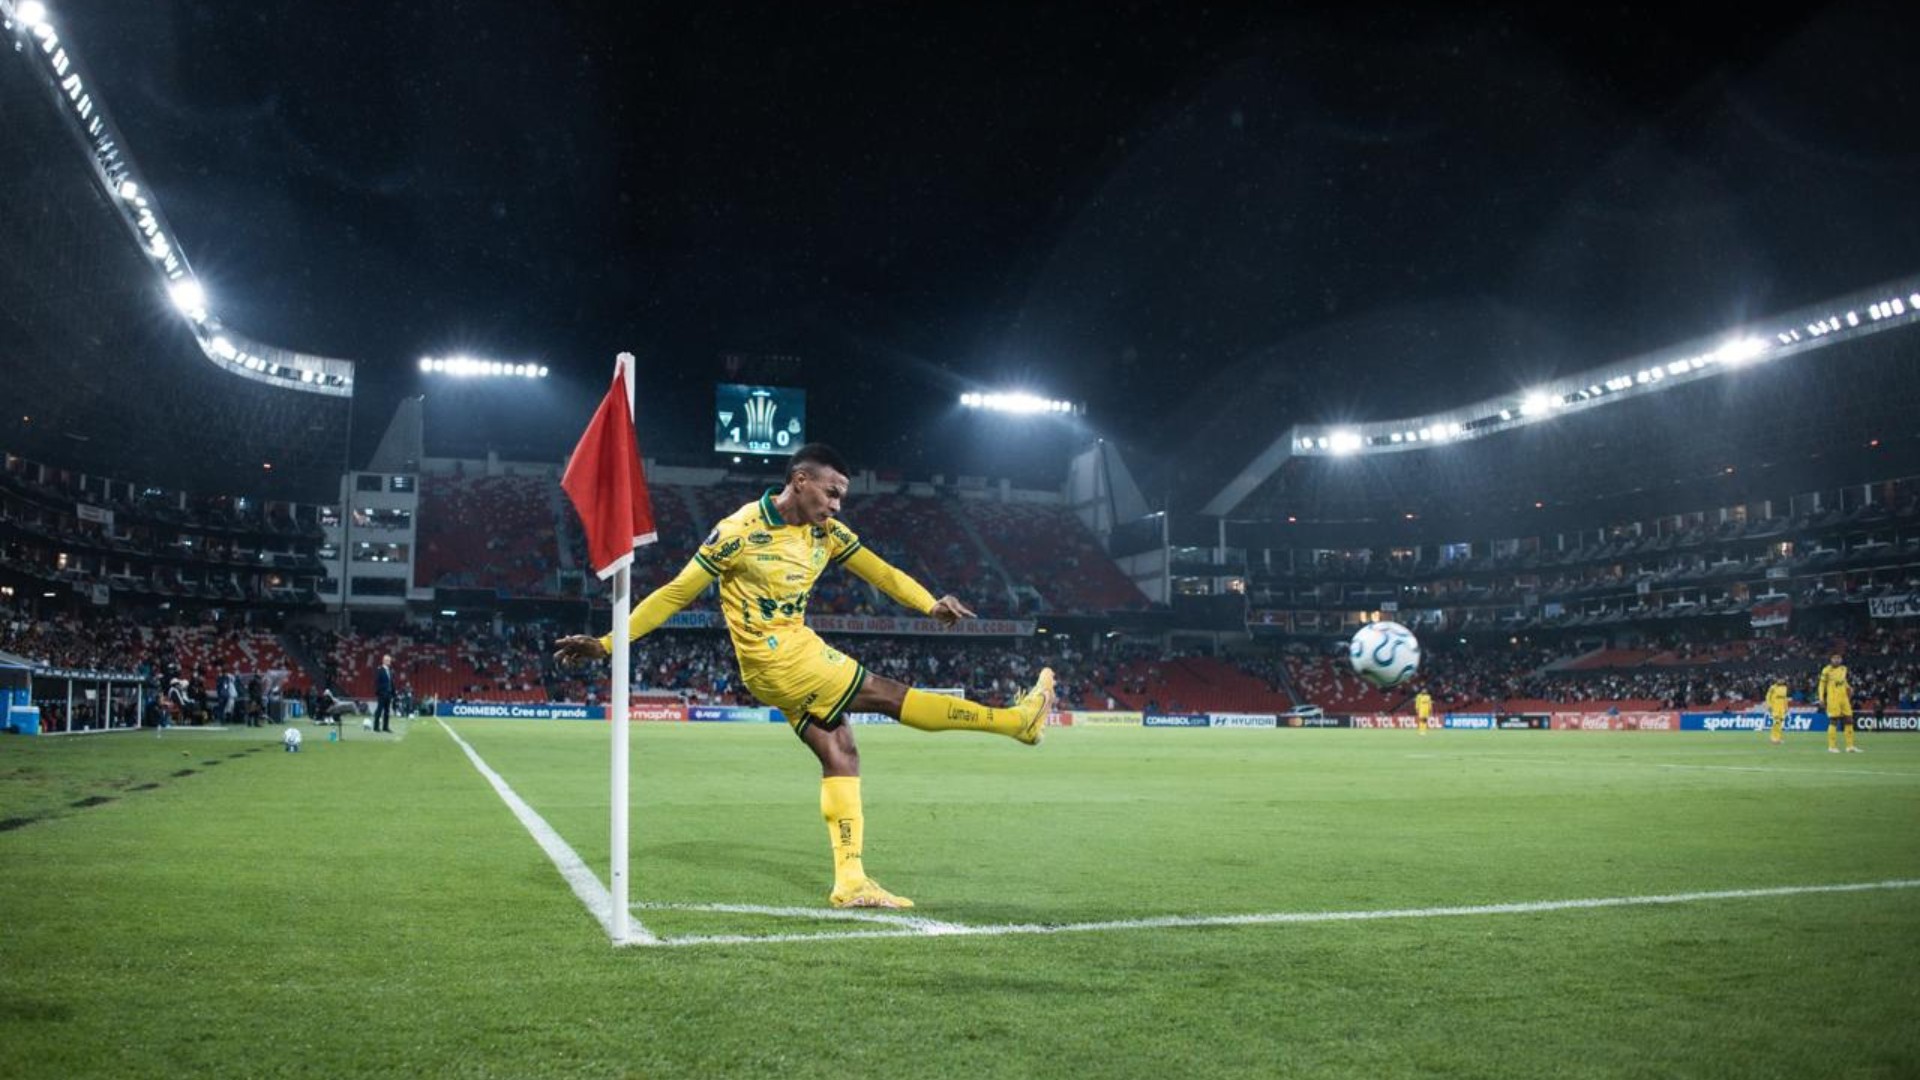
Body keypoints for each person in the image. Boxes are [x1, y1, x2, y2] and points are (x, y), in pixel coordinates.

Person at [555, 443, 1053, 911]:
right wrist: (607, 642)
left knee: (842, 752)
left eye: (841, 497)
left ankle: (851, 881)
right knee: (885, 694)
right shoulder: (740, 531)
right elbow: (675, 593)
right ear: (800, 481)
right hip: (780, 660)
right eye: (831, 492)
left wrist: (929, 602)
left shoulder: (826, 534)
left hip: (786, 656)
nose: (837, 506)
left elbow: (881, 572)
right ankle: (1015, 722)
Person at [1817, 652, 1859, 754]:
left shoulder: (1844, 669)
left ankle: (1850, 746)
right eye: (1834, 658)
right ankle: (1832, 746)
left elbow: (1843, 681)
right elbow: (1821, 685)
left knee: (1849, 719)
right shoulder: (1826, 670)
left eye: (1839, 658)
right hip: (1833, 699)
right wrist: (1821, 698)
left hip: (1844, 698)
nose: (1837, 660)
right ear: (1831, 659)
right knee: (1834, 720)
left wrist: (1849, 687)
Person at [373, 654, 395, 733]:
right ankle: (376, 727)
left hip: (388, 694)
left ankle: (385, 727)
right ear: (383, 661)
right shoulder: (380, 670)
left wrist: (393, 693)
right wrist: (380, 692)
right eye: (387, 660)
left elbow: (391, 683)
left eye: (389, 660)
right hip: (382, 694)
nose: (389, 661)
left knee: (387, 711)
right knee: (379, 710)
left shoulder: (390, 671)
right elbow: (377, 682)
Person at [1765, 678, 1790, 745]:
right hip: (1775, 708)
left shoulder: (1785, 688)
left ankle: (1778, 738)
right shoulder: (1772, 687)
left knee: (1780, 724)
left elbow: (1785, 698)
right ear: (1777, 680)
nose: (1781, 680)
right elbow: (1767, 696)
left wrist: (1786, 707)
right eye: (1780, 679)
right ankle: (1773, 738)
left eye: (1782, 680)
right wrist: (1769, 705)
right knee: (1776, 722)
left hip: (1782, 709)